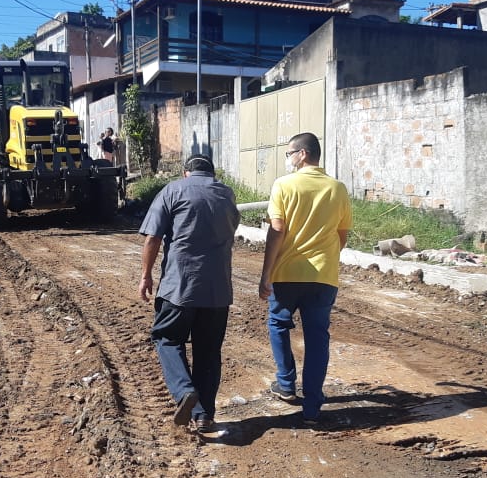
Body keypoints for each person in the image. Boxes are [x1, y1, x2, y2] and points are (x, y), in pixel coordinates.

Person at [139, 155, 241, 433]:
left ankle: (184, 391)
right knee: (208, 351)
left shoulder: (172, 190)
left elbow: (153, 237)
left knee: (167, 338)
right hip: (218, 290)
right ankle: (204, 416)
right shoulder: (226, 194)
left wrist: (146, 275)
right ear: (212, 173)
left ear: (186, 173)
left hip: (179, 287)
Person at [258, 132, 352, 427]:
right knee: (317, 337)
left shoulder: (284, 185)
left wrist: (266, 274)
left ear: (303, 154)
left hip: (286, 274)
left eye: (289, 153)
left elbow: (277, 232)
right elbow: (342, 237)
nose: (287, 158)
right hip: (323, 276)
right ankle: (312, 405)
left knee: (278, 324)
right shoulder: (337, 189)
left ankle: (286, 384)